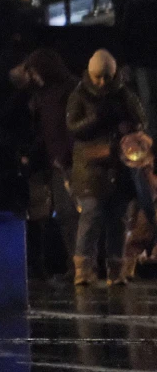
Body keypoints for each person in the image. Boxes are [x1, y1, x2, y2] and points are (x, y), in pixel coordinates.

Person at [67, 49, 148, 286]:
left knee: (118, 220)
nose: (102, 82)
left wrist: (129, 125)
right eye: (97, 77)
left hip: (119, 166)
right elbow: (73, 127)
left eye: (106, 77)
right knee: (91, 217)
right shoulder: (79, 95)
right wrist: (96, 118)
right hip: (91, 166)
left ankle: (116, 269)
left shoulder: (124, 94)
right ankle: (83, 270)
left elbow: (141, 120)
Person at [12, 49, 78, 270]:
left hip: (74, 161)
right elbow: (44, 131)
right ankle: (74, 263)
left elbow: (71, 128)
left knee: (78, 214)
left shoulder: (69, 91)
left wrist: (67, 154)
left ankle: (86, 263)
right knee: (65, 215)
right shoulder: (42, 96)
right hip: (57, 162)